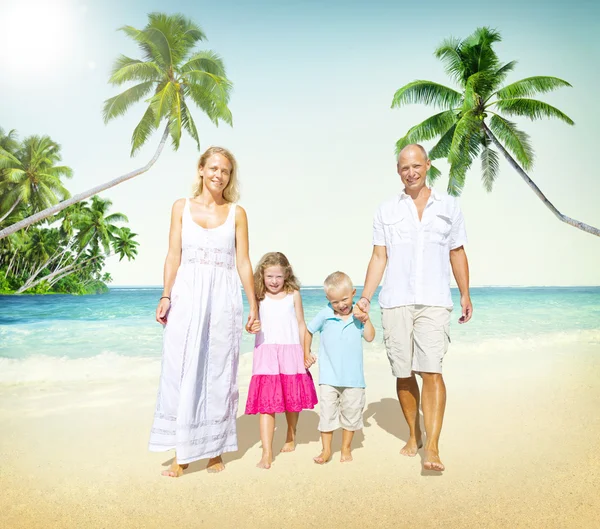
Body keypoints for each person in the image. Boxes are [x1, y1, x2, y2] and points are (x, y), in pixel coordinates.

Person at [354, 143, 472, 472]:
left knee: (432, 369)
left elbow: (457, 251)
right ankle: (414, 434)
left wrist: (465, 293)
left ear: (428, 165)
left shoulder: (449, 206)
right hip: (395, 300)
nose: (412, 172)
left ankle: (432, 447)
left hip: (434, 300)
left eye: (417, 166)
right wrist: (365, 297)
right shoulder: (386, 210)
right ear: (398, 170)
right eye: (405, 167)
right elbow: (380, 257)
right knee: (403, 373)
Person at [149, 146, 258, 478]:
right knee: (182, 369)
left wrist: (253, 304)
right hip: (186, 295)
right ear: (200, 169)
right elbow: (172, 255)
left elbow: (242, 261)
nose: (218, 175)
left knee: (219, 373)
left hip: (224, 298)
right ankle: (182, 454)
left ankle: (214, 451)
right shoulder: (181, 207)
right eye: (213, 168)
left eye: (225, 171)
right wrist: (166, 294)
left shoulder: (237, 212)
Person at [245, 252, 318, 469]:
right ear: (262, 275)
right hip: (266, 352)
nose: (274, 281)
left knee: (290, 398)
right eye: (269, 277)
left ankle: (291, 433)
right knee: (266, 404)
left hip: (291, 350)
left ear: (286, 274)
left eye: (278, 276)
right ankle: (267, 452)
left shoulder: (293, 294)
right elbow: (251, 323)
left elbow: (301, 324)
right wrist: (251, 328)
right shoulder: (258, 295)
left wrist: (306, 351)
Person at [305, 271, 375, 464]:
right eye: (335, 302)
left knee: (351, 414)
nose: (341, 305)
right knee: (327, 414)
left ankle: (345, 448)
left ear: (353, 293)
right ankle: (326, 450)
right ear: (328, 299)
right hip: (329, 377)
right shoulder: (325, 314)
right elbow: (308, 330)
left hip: (354, 379)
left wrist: (366, 319)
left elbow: (370, 337)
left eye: (345, 299)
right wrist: (306, 353)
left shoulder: (358, 315)